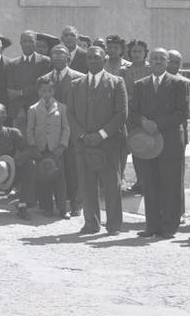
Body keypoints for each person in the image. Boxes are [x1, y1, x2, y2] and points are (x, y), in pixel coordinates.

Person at [129, 48, 190, 239]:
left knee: (170, 184)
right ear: (149, 61)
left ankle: (169, 227)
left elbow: (182, 113)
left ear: (167, 62)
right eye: (154, 58)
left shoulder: (179, 84)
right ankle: (152, 226)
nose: (157, 61)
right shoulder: (140, 85)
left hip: (170, 140)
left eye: (161, 59)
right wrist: (143, 122)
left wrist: (158, 124)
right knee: (150, 184)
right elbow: (133, 112)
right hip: (148, 142)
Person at [67, 45, 128, 235]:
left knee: (111, 185)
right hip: (84, 142)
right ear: (86, 61)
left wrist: (101, 134)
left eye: (97, 57)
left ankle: (114, 225)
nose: (93, 61)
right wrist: (83, 135)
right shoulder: (76, 84)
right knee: (87, 184)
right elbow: (70, 113)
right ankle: (91, 223)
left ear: (104, 59)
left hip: (109, 143)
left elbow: (121, 113)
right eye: (90, 58)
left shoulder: (117, 82)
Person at [38, 45, 85, 216]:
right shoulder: (44, 79)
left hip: (72, 131)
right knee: (52, 167)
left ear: (68, 58)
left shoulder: (80, 78)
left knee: (73, 168)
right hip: (50, 133)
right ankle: (54, 204)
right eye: (54, 54)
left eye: (61, 54)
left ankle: (75, 203)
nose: (57, 57)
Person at [27, 78, 71, 218]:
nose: (46, 93)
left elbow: (66, 128)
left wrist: (63, 145)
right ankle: (47, 207)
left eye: (49, 90)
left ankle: (62, 208)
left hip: (56, 148)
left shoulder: (62, 107)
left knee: (60, 178)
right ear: (39, 92)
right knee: (43, 178)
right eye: (43, 90)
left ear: (54, 91)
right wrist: (33, 146)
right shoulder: (33, 109)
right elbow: (30, 129)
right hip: (41, 149)